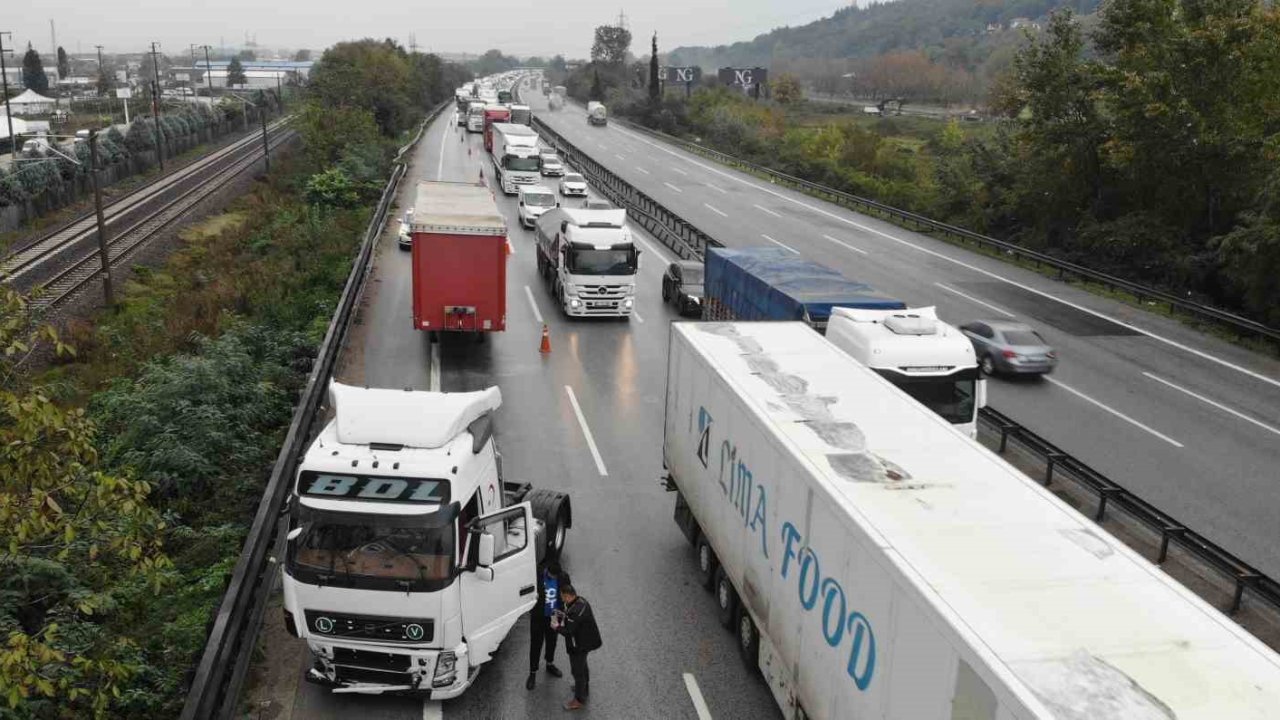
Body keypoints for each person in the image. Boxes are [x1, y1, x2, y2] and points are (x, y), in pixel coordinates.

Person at [551, 583, 601, 711]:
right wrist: (563, 614)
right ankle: (584, 688)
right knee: (583, 665)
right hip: (587, 641)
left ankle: (578, 700)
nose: (561, 599)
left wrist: (556, 626)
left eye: (562, 597)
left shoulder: (575, 611)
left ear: (567, 596)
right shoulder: (580, 600)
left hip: (579, 645)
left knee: (577, 671)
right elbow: (571, 617)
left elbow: (568, 631)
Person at [526, 560, 567, 690]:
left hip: (555, 616)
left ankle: (550, 663)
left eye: (556, 576)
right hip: (538, 616)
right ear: (547, 571)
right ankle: (532, 673)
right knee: (536, 644)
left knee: (552, 641)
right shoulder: (536, 575)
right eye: (552, 576)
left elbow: (567, 594)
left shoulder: (563, 577)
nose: (555, 578)